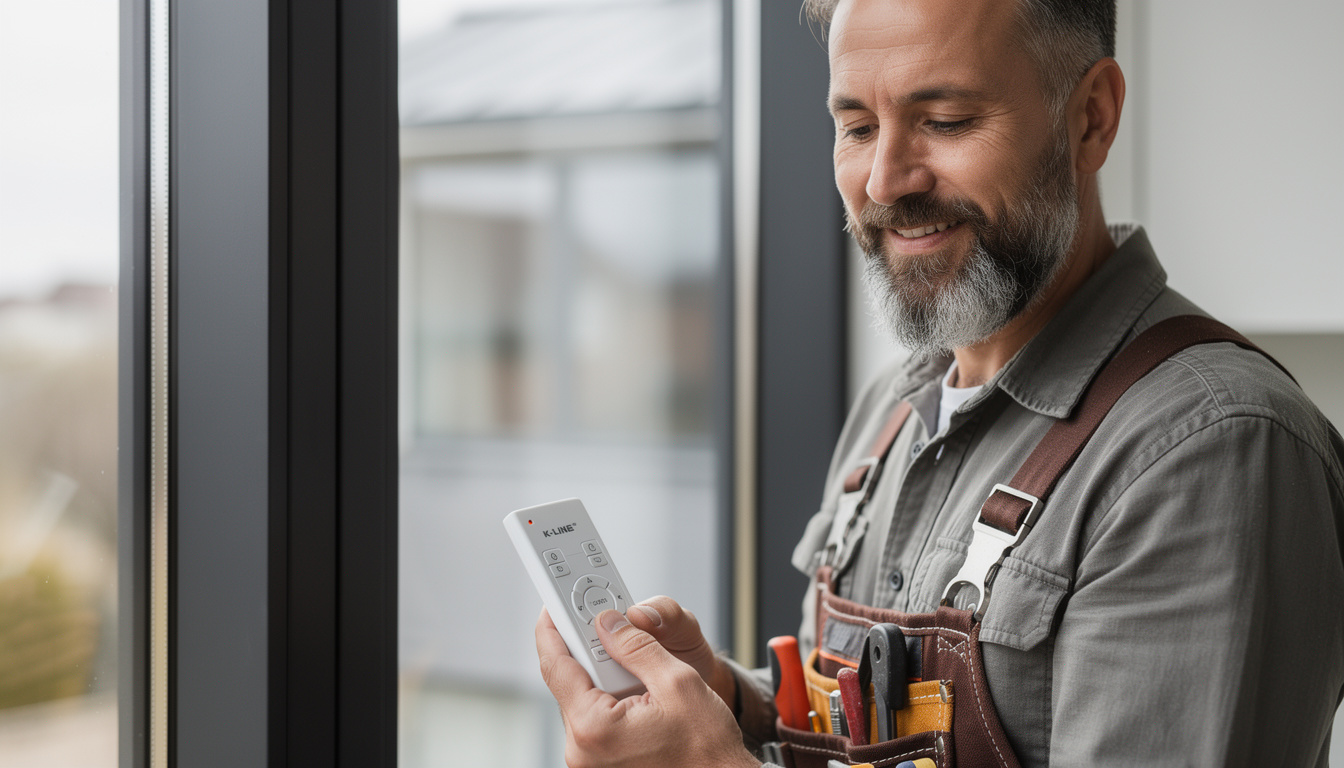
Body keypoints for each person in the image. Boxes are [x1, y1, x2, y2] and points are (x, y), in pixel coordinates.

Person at [534, 0, 1344, 765]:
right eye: (855, 126)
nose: (885, 181)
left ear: (1090, 116)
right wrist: (734, 710)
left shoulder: (1213, 447)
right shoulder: (892, 410)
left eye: (946, 122)